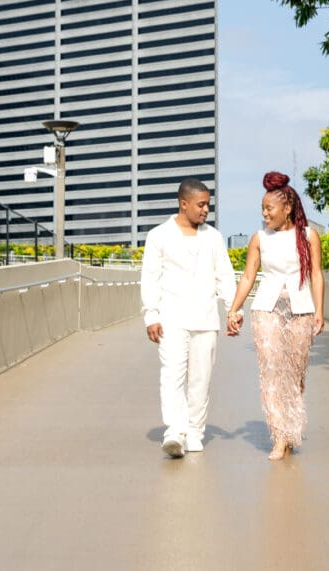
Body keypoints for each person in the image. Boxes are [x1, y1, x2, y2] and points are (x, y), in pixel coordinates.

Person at [226, 171, 324, 460]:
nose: (264, 214)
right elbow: (247, 277)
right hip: (267, 309)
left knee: (295, 375)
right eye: (262, 209)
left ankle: (291, 429)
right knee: (270, 373)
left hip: (301, 309)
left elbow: (316, 274)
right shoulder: (259, 239)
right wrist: (233, 309)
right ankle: (280, 436)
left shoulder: (308, 236)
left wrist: (320, 310)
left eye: (269, 209)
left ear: (287, 209)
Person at [141, 178, 237, 458]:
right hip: (171, 318)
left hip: (206, 319)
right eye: (201, 204)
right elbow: (150, 278)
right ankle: (175, 430)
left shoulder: (213, 237)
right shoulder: (158, 235)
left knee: (200, 380)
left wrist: (233, 310)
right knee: (172, 375)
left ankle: (195, 431)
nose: (206, 209)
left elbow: (225, 276)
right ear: (184, 204)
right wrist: (151, 315)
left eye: (208, 204)